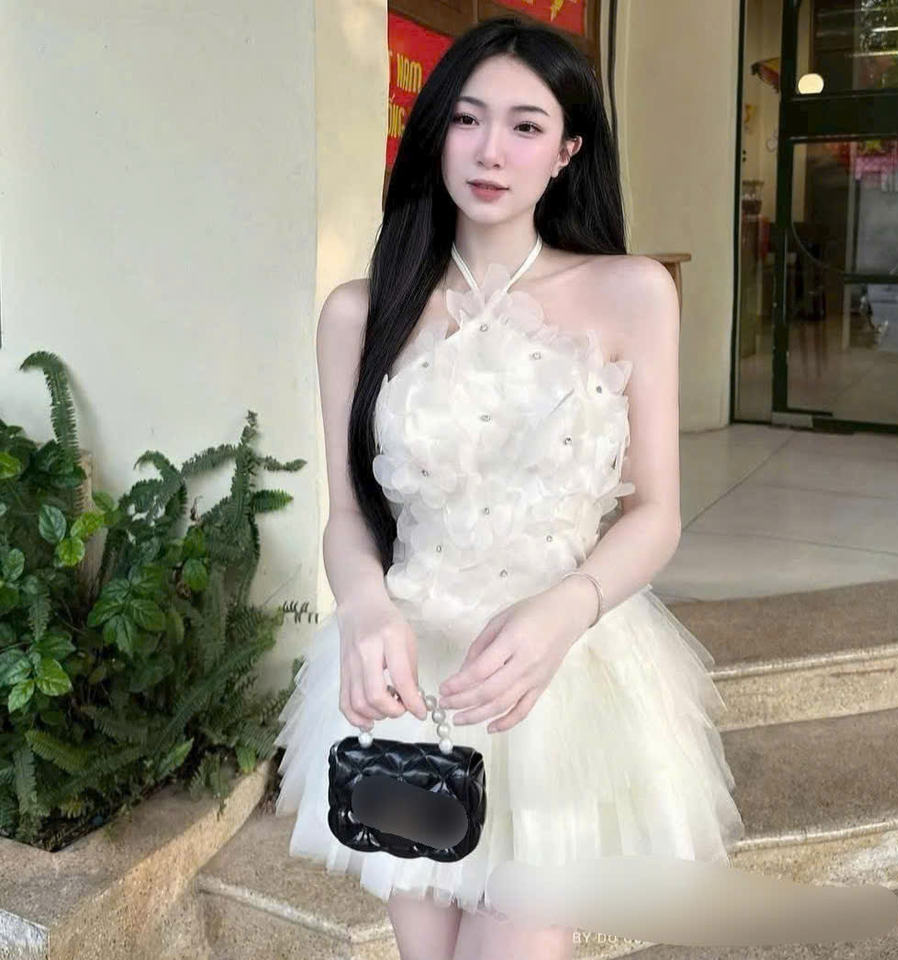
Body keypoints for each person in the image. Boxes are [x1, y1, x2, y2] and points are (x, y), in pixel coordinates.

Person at [273, 15, 745, 960]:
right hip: (409, 684)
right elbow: (349, 515)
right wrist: (363, 607)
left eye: (527, 126)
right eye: (468, 119)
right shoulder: (360, 312)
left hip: (559, 680)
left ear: (568, 150)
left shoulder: (632, 291)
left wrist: (569, 608)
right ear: (435, 131)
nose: (491, 150)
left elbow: (655, 514)